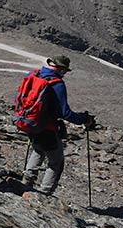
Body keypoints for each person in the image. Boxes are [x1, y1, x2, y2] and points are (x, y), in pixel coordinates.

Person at [21, 55, 96, 195]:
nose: (65, 74)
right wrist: (84, 119)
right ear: (61, 69)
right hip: (48, 127)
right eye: (65, 71)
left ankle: (26, 184)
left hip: (30, 122)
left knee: (38, 150)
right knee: (56, 162)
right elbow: (65, 113)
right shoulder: (57, 83)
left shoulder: (34, 74)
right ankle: (44, 193)